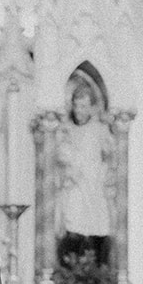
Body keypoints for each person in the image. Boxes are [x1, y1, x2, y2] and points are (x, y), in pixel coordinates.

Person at [56, 78, 113, 268]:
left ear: (91, 108)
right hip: (74, 185)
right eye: (76, 106)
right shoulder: (66, 130)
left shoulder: (99, 130)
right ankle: (71, 270)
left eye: (84, 106)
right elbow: (60, 155)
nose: (79, 110)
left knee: (97, 224)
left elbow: (111, 155)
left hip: (94, 185)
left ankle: (97, 271)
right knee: (72, 222)